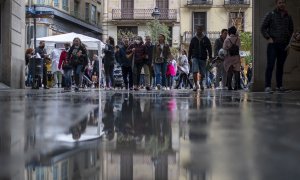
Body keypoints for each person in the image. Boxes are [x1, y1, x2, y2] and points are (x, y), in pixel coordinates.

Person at [261, 0, 294, 93]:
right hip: (273, 44)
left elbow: (291, 30)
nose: (282, 4)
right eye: (280, 2)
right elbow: (263, 27)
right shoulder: (270, 14)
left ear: (285, 4)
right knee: (270, 65)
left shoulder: (289, 16)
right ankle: (267, 86)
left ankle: (279, 86)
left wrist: (289, 43)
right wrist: (268, 37)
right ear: (277, 4)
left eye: (283, 2)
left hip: (284, 45)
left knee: (280, 66)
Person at [188, 25, 212, 91]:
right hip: (195, 57)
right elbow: (190, 49)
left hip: (203, 58)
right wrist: (189, 58)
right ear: (196, 30)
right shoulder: (193, 39)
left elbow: (209, 48)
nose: (199, 31)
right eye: (198, 29)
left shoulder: (206, 39)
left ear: (202, 30)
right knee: (195, 71)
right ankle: (196, 85)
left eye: (200, 30)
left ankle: (201, 83)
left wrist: (210, 57)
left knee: (203, 73)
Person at [223, 26, 241, 90]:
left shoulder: (227, 40)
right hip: (236, 57)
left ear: (229, 32)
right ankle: (237, 85)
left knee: (229, 72)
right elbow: (239, 47)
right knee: (237, 71)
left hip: (229, 58)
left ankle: (229, 86)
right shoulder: (238, 39)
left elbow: (224, 49)